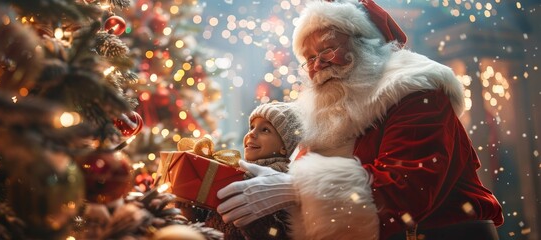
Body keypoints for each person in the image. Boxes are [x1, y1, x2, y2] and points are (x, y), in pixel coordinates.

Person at [217, 0, 504, 240]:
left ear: (366, 46)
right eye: (309, 58)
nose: (318, 64)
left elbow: (406, 188)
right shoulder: (324, 116)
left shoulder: (416, 91)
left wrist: (292, 188)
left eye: (328, 49)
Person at [198, 102, 302, 239]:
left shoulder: (278, 183)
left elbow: (274, 235)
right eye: (252, 127)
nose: (252, 134)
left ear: (285, 146)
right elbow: (206, 220)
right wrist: (188, 207)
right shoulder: (235, 172)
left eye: (265, 130)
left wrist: (250, 216)